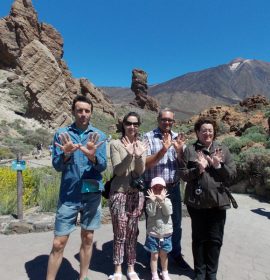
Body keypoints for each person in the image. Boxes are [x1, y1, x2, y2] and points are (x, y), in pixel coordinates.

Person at [46, 95, 107, 280]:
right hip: (69, 195)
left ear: (91, 113)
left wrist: (92, 156)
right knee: (58, 242)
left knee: (88, 238)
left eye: (87, 111)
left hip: (91, 193)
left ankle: (83, 276)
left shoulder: (98, 136)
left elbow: (102, 166)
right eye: (79, 110)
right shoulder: (62, 134)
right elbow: (57, 166)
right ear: (73, 111)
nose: (83, 114)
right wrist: (65, 154)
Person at [179, 116, 237, 280]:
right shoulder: (190, 150)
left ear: (214, 132)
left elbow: (232, 175)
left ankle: (211, 274)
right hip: (196, 204)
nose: (207, 133)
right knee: (199, 240)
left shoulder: (223, 149)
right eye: (203, 130)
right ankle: (200, 273)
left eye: (210, 130)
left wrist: (218, 166)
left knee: (215, 240)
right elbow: (183, 174)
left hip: (218, 203)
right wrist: (199, 168)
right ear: (197, 132)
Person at [144, 108, 189, 270]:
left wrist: (179, 152)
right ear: (158, 120)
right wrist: (163, 150)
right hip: (154, 189)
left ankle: (175, 253)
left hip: (173, 188)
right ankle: (152, 253)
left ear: (173, 121)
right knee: (152, 221)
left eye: (170, 120)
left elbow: (184, 166)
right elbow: (146, 163)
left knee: (176, 222)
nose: (167, 122)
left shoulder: (178, 138)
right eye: (164, 119)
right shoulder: (148, 137)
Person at [108, 112, 148, 280]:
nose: (132, 127)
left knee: (133, 232)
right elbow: (118, 171)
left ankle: (131, 267)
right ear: (123, 125)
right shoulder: (116, 144)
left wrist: (138, 155)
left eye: (135, 124)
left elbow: (140, 171)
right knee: (120, 233)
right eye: (129, 123)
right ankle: (118, 268)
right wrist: (129, 154)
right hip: (119, 194)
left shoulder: (141, 144)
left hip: (135, 195)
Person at [144, 177, 173, 280]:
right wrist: (152, 202)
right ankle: (154, 274)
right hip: (153, 233)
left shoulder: (168, 200)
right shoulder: (149, 202)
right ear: (151, 190)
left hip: (166, 234)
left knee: (164, 255)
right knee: (154, 256)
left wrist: (162, 201)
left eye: (160, 188)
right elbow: (151, 214)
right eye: (155, 188)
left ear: (165, 190)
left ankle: (165, 272)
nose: (158, 190)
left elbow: (168, 212)